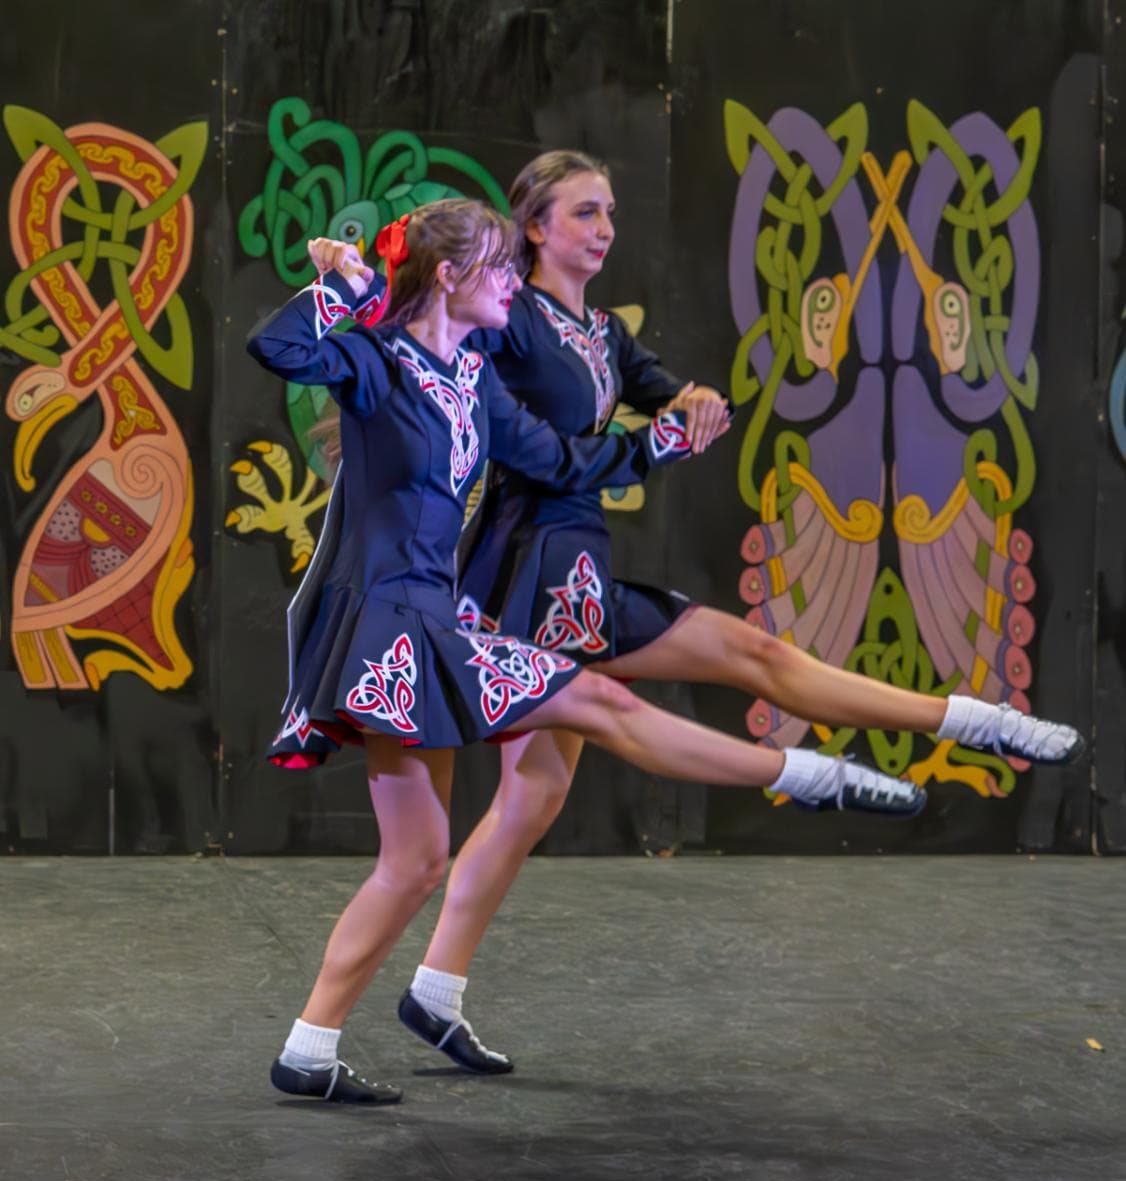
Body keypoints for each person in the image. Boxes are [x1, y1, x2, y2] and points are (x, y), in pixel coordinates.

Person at [391, 152, 1084, 1078]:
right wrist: (663, 441)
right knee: (737, 663)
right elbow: (554, 457)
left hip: (574, 562)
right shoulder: (507, 321)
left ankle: (435, 990)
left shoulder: (595, 330)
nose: (604, 228)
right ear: (536, 228)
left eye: (611, 211)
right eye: (585, 212)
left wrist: (693, 403)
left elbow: (661, 390)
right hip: (529, 574)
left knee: (538, 791)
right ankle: (927, 736)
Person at [247, 198, 929, 1103]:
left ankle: (307, 1049)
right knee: (599, 703)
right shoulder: (376, 363)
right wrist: (343, 284)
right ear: (448, 276)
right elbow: (280, 349)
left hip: (430, 626)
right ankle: (802, 776)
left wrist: (665, 438)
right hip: (389, 628)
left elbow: (566, 462)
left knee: (413, 862)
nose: (510, 285)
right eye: (496, 268)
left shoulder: (470, 377)